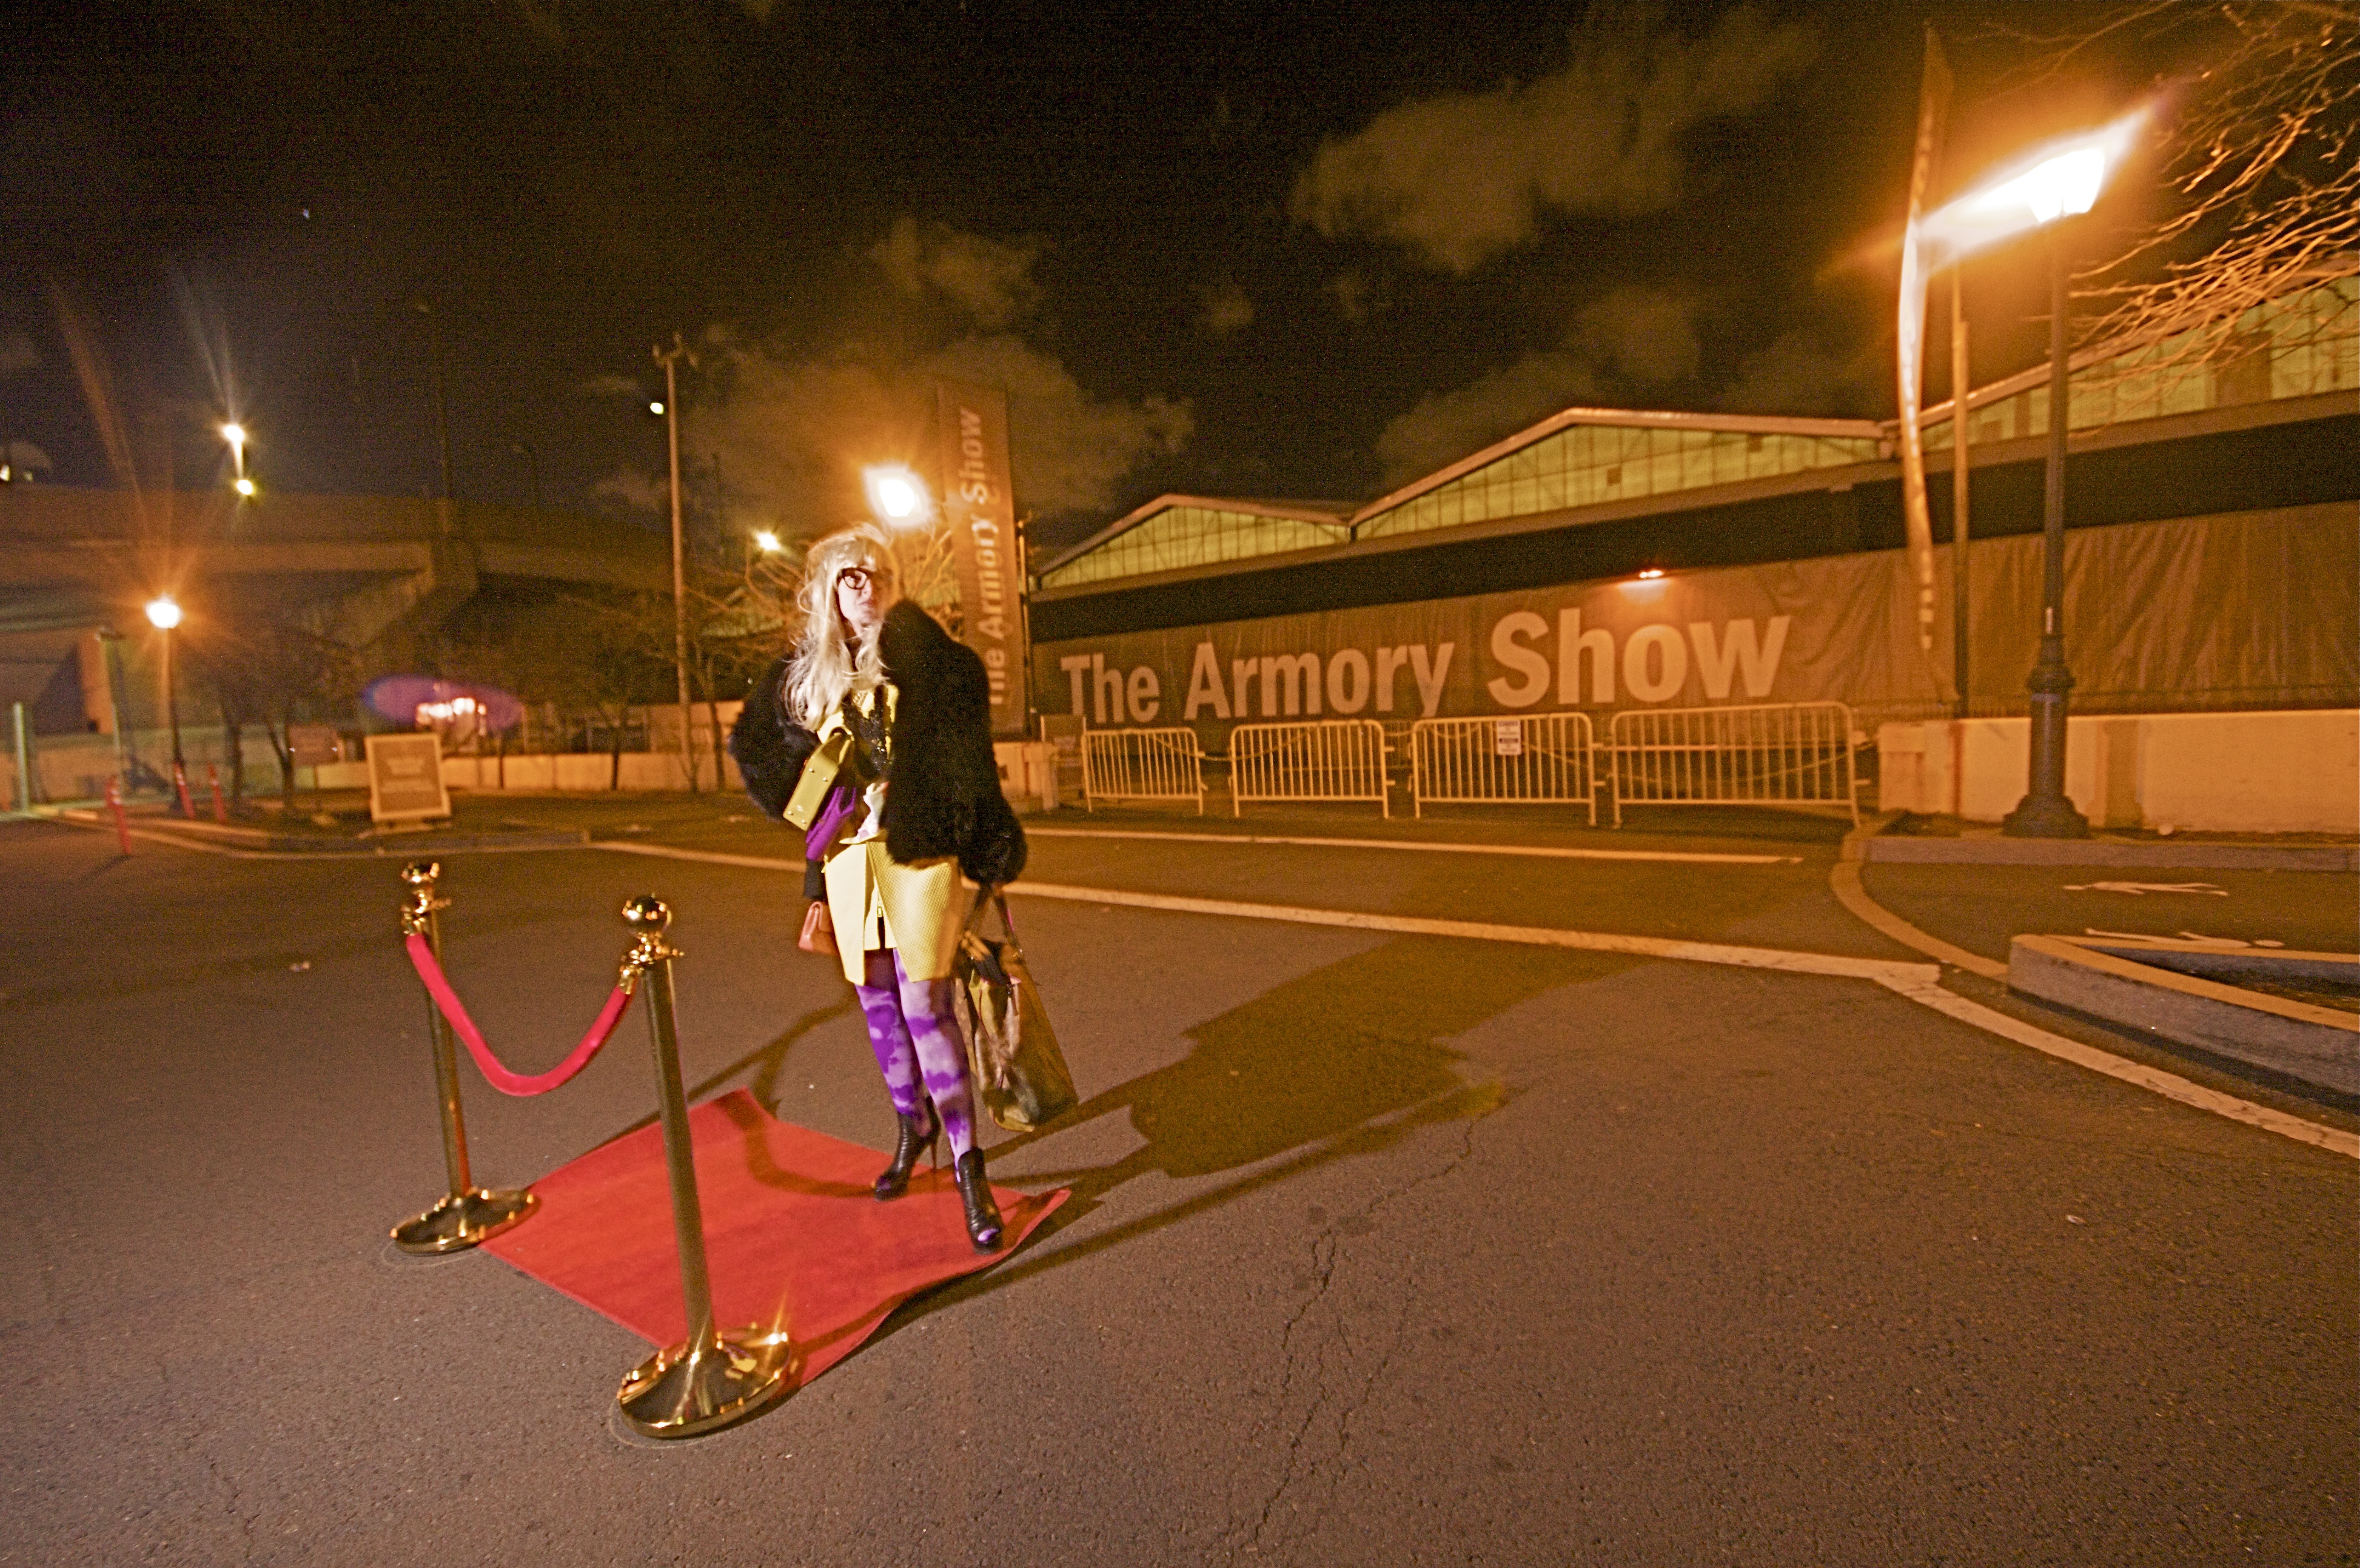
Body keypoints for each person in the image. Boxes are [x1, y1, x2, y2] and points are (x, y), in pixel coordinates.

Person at [729, 524, 1026, 1251]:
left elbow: (970, 752)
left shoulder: (927, 661)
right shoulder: (802, 680)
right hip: (848, 860)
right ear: (827, 590)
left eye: (876, 573)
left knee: (929, 1002)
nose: (865, 586)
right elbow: (783, 777)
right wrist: (813, 880)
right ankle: (910, 1124)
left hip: (921, 851)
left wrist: (984, 854)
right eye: (849, 577)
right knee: (879, 1005)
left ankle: (967, 1166)